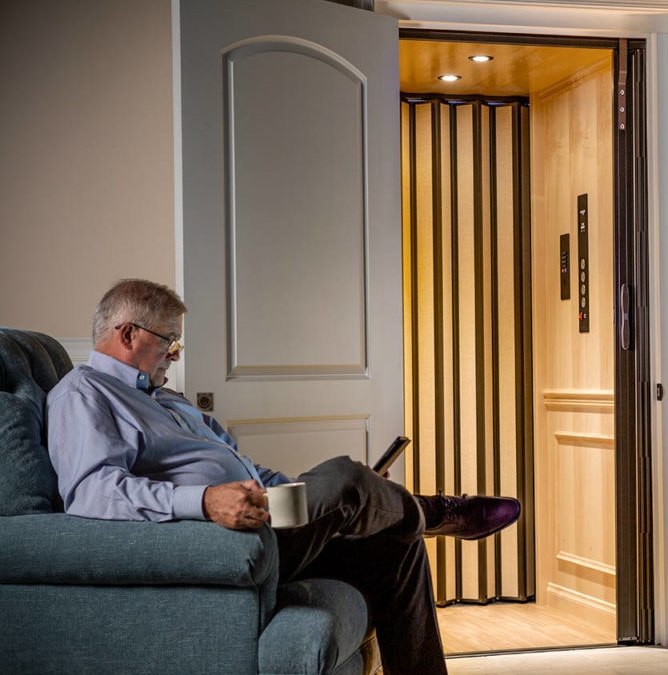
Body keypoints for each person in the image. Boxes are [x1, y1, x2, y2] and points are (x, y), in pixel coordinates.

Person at [46, 278, 521, 675]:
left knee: (394, 541)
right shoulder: (83, 394)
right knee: (343, 476)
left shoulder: (167, 399)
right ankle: (438, 512)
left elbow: (247, 468)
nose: (174, 353)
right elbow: (92, 491)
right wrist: (205, 500)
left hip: (265, 515)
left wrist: (319, 498)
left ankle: (396, 513)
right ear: (127, 333)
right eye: (169, 341)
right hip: (219, 538)